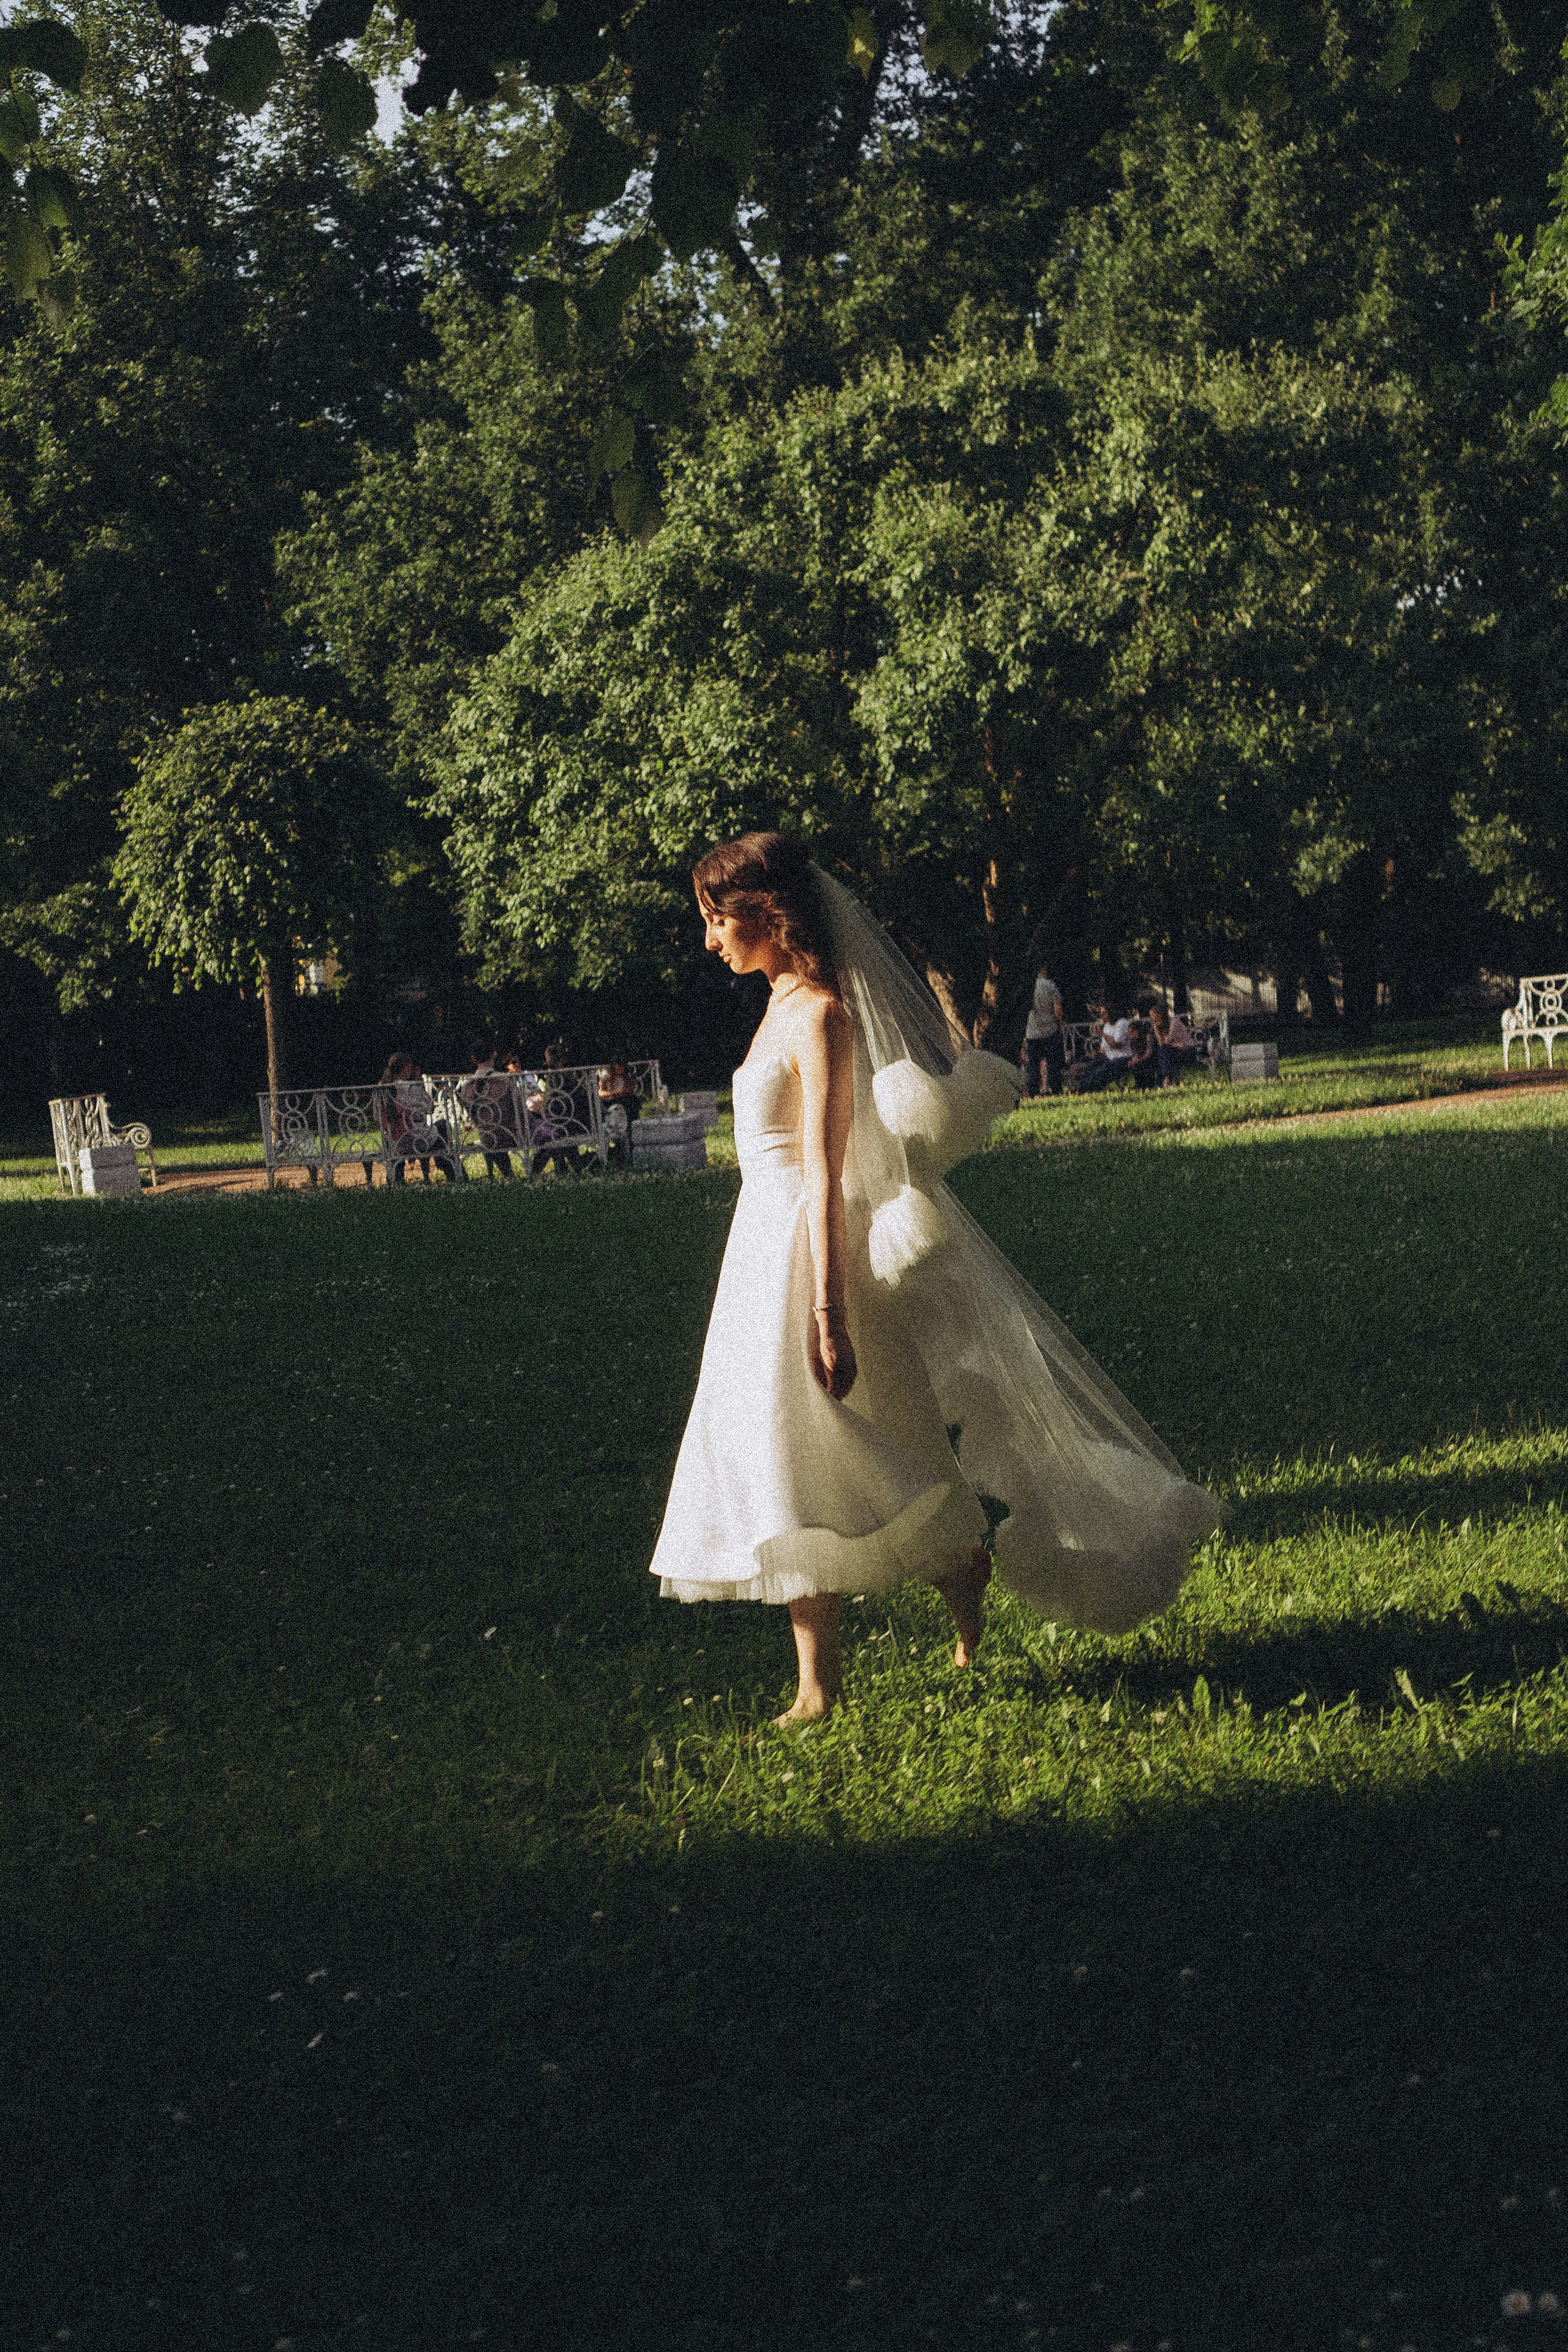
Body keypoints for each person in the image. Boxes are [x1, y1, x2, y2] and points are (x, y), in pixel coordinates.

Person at [649, 831, 1220, 1724]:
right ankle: (834, 1670)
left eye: (718, 918)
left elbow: (826, 1170)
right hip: (756, 1254)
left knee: (860, 1436)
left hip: (808, 1251)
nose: (710, 938)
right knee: (784, 1452)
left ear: (768, 913)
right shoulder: (773, 1007)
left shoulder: (822, 1016)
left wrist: (829, 1310)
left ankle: (937, 1585)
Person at [460, 1039, 520, 1180]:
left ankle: (507, 1175)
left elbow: (473, 1116)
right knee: (549, 1131)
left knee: (492, 1136)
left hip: (486, 1136)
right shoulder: (505, 1080)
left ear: (473, 1059)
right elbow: (520, 1110)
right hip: (511, 1135)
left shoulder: (467, 1087)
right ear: (494, 1054)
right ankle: (536, 1171)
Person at [1020, 962, 1065, 1098]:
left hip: (1032, 1032)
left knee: (1033, 1065)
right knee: (1053, 1063)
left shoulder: (1028, 987)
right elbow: (1057, 1009)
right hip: (1050, 1030)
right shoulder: (1050, 985)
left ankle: (1034, 1092)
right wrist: (1060, 1024)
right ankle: (1056, 1090)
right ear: (1044, 969)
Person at [1071, 1002, 1136, 1093]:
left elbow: (1116, 1045)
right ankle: (1082, 1090)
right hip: (1110, 1057)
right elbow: (1103, 1049)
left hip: (1124, 1057)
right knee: (1092, 1066)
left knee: (1104, 1069)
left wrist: (1102, 1034)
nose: (1102, 1016)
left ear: (1111, 1012)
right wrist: (1097, 1053)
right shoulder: (1107, 1026)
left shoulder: (1122, 1023)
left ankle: (1089, 1091)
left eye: (1104, 1013)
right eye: (1101, 1013)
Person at [598, 1054, 641, 1166]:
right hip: (610, 1102)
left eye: (622, 1068)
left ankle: (631, 1126)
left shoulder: (627, 1075)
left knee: (632, 1101)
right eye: (618, 1069)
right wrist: (614, 1093)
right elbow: (601, 1093)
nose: (620, 1071)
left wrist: (624, 1091)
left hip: (623, 1100)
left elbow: (630, 1089)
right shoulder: (606, 1076)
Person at [1151, 1003, 1199, 1087]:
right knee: (1161, 1054)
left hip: (1189, 1050)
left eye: (1156, 1015)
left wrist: (1156, 1030)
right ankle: (1162, 1083)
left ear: (1162, 1015)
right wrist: (1175, 1045)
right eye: (1152, 1016)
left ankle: (1167, 1081)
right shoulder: (1160, 1027)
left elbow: (1165, 1043)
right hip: (1175, 1050)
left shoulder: (1174, 1023)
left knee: (1163, 1053)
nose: (1154, 1018)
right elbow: (1163, 1044)